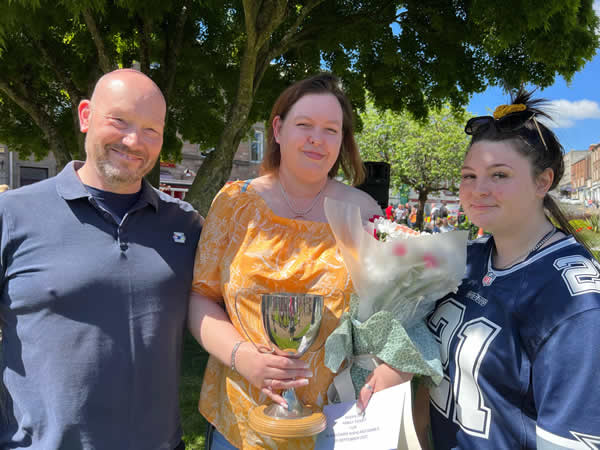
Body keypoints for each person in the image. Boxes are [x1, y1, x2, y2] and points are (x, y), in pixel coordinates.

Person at [188, 73, 410, 450]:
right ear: (278, 128)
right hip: (239, 420)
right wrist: (243, 358)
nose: (316, 139)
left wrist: (395, 365)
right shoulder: (234, 203)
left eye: (330, 129)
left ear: (342, 141)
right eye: (304, 124)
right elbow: (201, 297)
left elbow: (393, 310)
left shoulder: (364, 214)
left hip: (335, 424)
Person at [0, 69, 203, 449]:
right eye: (119, 120)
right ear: (85, 116)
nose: (133, 140)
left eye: (150, 130)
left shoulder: (186, 225)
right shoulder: (12, 214)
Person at [425, 89, 600, 448]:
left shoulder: (574, 302)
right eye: (469, 176)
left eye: (499, 175)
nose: (478, 190)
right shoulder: (466, 258)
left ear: (542, 182)